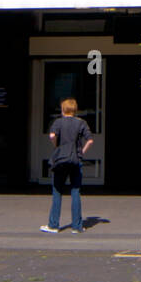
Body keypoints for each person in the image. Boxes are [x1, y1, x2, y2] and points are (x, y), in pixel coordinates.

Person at [40, 98, 93, 235]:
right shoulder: (81, 123)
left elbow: (52, 135)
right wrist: (81, 152)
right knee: (76, 191)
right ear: (75, 110)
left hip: (61, 159)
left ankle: (53, 225)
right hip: (75, 159)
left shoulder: (58, 122)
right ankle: (77, 226)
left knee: (57, 191)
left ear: (63, 110)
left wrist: (57, 146)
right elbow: (90, 140)